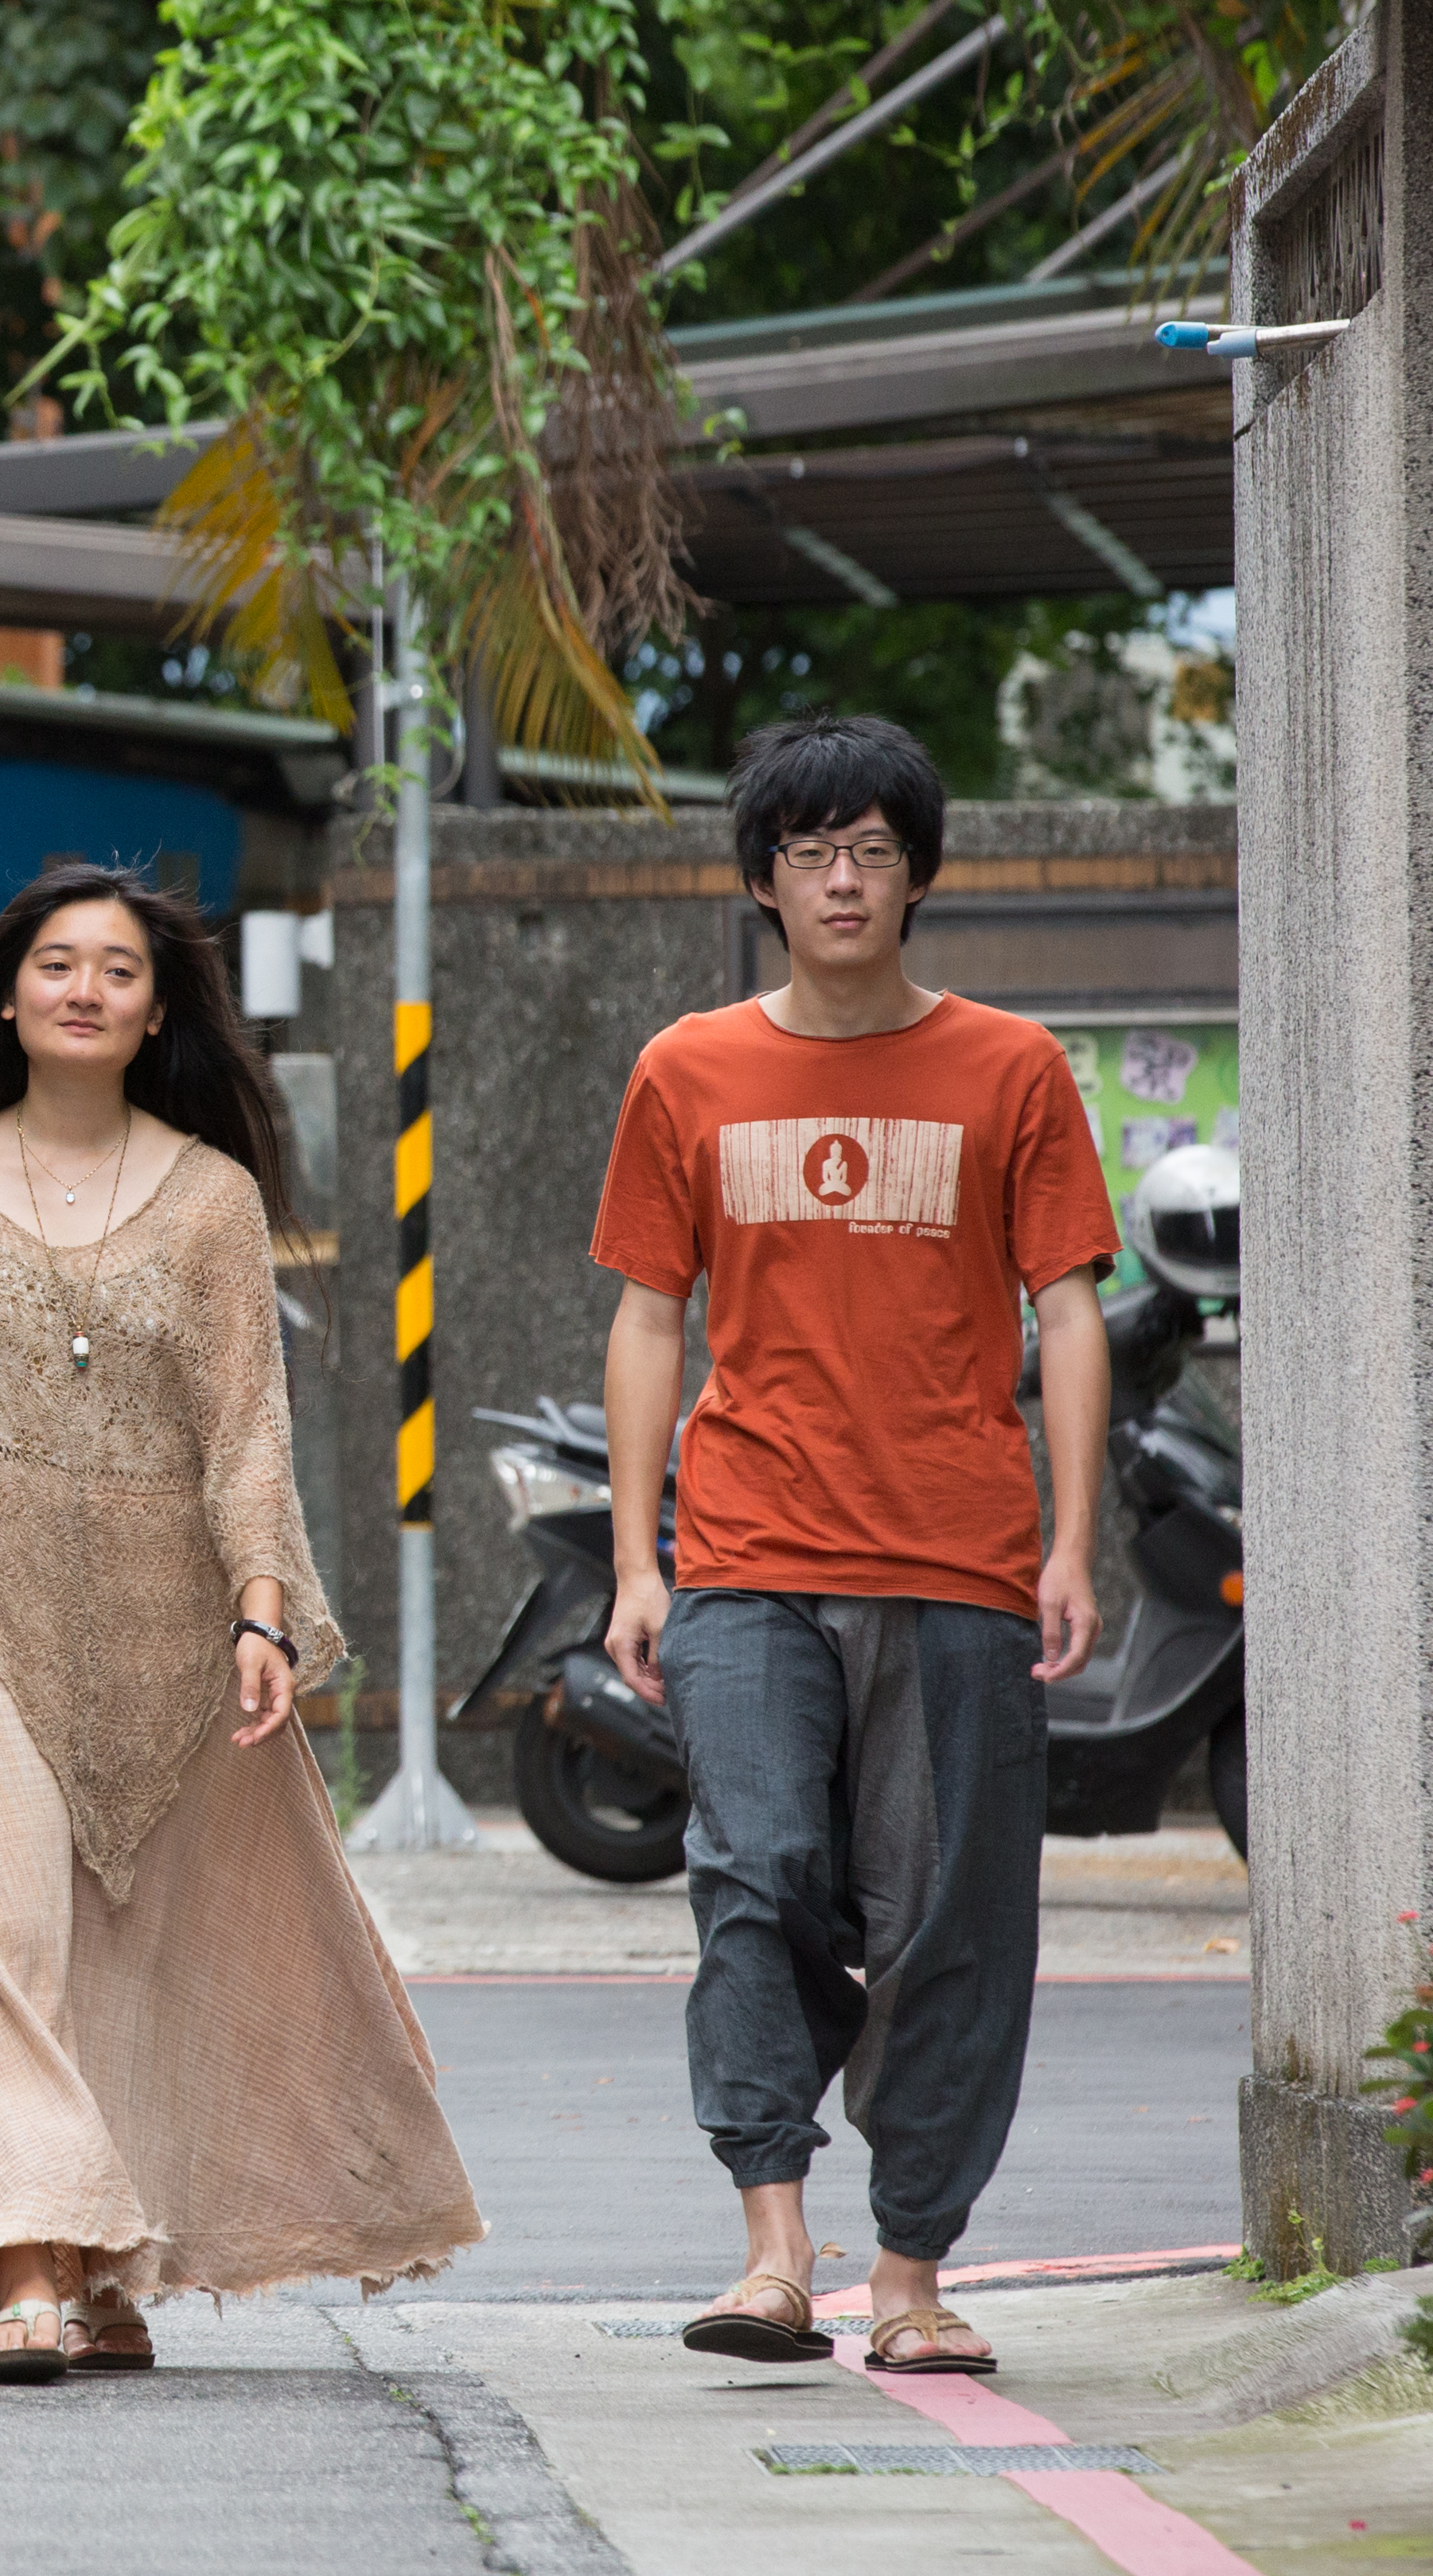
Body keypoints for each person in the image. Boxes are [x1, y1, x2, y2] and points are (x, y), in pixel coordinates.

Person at [0, 862, 482, 2383]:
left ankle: (110, 2264)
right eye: (56, 962)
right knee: (1, 1931)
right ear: (8, 993)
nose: (83, 988)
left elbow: (249, 1431)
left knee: (122, 1946)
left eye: (117, 969)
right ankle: (29, 2267)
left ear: (155, 1010)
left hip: (166, 1616)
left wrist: (262, 1610)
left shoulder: (211, 1199)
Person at [594, 715, 1119, 2379]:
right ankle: (774, 2251)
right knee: (755, 1877)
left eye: (872, 848)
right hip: (746, 1544)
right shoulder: (688, 1069)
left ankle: (910, 2271)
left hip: (961, 1551)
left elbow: (1069, 1309)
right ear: (763, 879)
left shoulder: (1010, 1068)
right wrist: (635, 1558)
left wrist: (1074, 1539)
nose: (841, 874)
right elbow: (645, 1318)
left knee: (952, 1914)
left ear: (915, 876)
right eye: (810, 849)